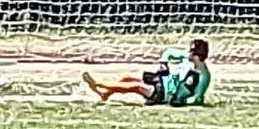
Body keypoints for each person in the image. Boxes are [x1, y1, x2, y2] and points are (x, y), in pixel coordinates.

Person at [82, 39, 211, 106]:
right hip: (162, 80)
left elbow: (197, 98)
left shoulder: (203, 76)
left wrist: (178, 100)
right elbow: (169, 52)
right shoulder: (186, 58)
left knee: (135, 87)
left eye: (190, 51)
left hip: (164, 94)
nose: (187, 53)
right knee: (128, 77)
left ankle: (99, 84)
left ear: (197, 55)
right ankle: (106, 94)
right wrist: (164, 64)